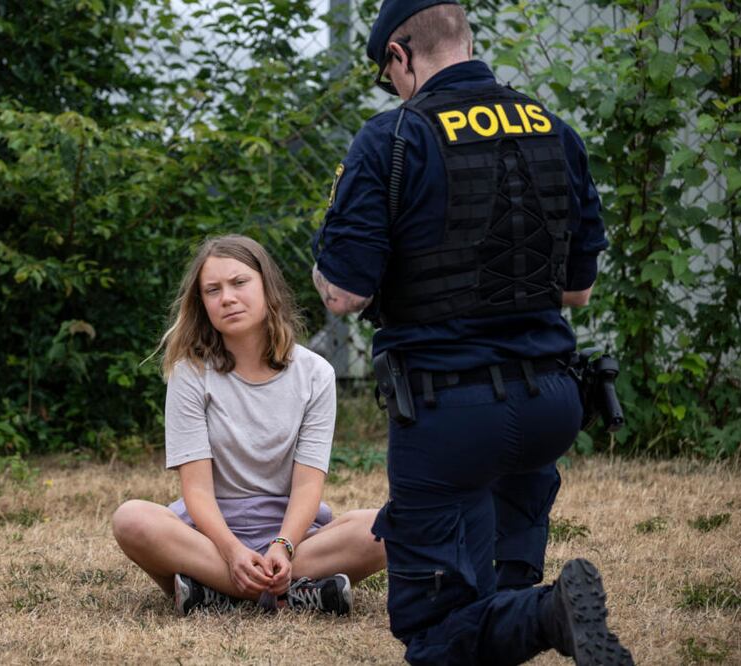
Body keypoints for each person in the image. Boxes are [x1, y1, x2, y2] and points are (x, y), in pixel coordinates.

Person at [311, 2, 634, 664]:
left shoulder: (391, 139)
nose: (392, 87)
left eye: (387, 73)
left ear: (399, 55)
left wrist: (329, 248)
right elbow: (576, 290)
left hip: (447, 414)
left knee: (433, 630)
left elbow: (344, 294)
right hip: (549, 403)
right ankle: (540, 609)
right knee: (495, 593)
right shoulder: (554, 131)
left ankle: (549, 614)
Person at [112, 235, 386, 616]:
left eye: (239, 283)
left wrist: (283, 545)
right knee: (132, 519)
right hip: (209, 537)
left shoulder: (315, 373)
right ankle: (297, 594)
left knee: (387, 527)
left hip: (293, 537)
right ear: (202, 303)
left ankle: (215, 594)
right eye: (213, 290)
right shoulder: (190, 373)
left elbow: (308, 483)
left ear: (267, 288)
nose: (227, 297)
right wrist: (232, 551)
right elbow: (197, 490)